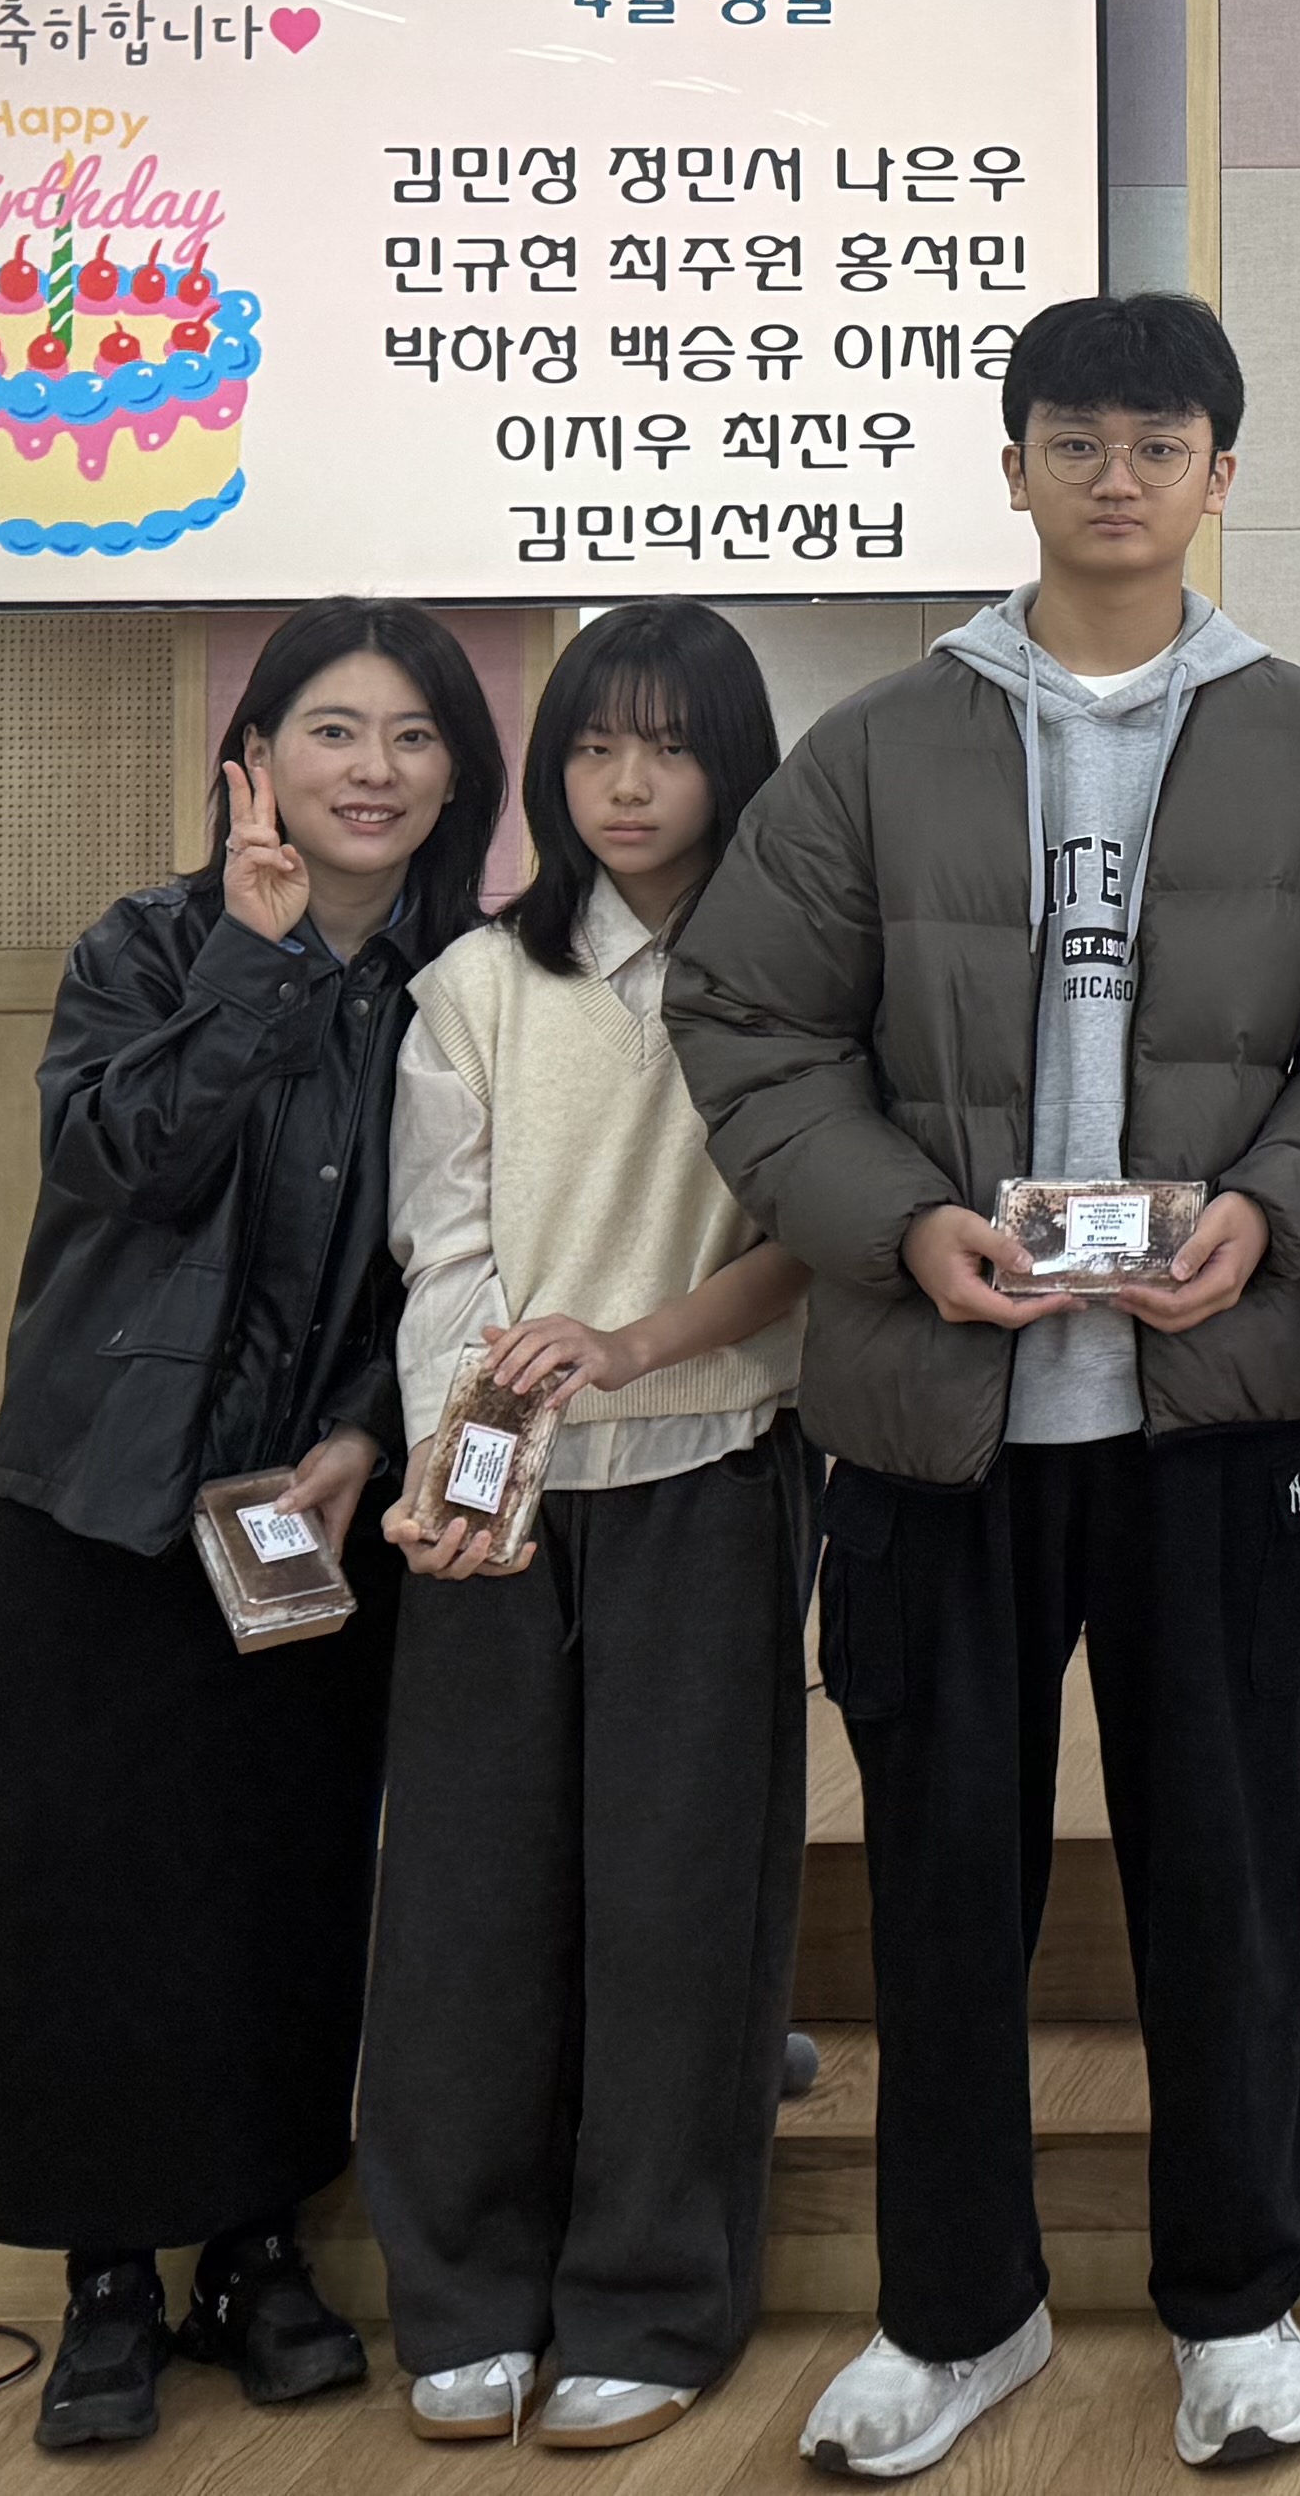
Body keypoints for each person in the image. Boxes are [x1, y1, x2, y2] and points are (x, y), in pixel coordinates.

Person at [674, 290, 1300, 2484]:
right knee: (941, 1892)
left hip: (1215, 1412)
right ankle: (956, 2316)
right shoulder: (881, 743)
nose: (1118, 477)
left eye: (1160, 444)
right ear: (1011, 467)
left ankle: (1238, 2308)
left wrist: (1274, 1211)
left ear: (1220, 477)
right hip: (936, 1424)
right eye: (1077, 441)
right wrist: (904, 1223)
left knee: (1230, 1881)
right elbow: (748, 1020)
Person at [0, 598, 504, 2456]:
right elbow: (119, 1159)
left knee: (289, 1877)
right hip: (102, 1496)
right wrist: (256, 964)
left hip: (309, 1516)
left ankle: (260, 2247)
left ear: (459, 775)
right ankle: (106, 2277)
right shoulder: (148, 944)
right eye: (332, 731)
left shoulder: (460, 985)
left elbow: (440, 1259)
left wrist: (362, 1437)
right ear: (251, 759)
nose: (374, 771)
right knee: (85, 1889)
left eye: (413, 736)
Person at [359, 599, 816, 2452]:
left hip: (711, 1468)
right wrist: (452, 1466)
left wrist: (635, 1345)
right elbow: (444, 1253)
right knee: (465, 1898)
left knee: (682, 1898)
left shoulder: (791, 977)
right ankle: (465, 2291)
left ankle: (654, 2298)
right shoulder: (475, 985)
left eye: (671, 749)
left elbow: (812, 1241)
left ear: (733, 768)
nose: (628, 785)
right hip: (501, 1493)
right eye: (594, 748)